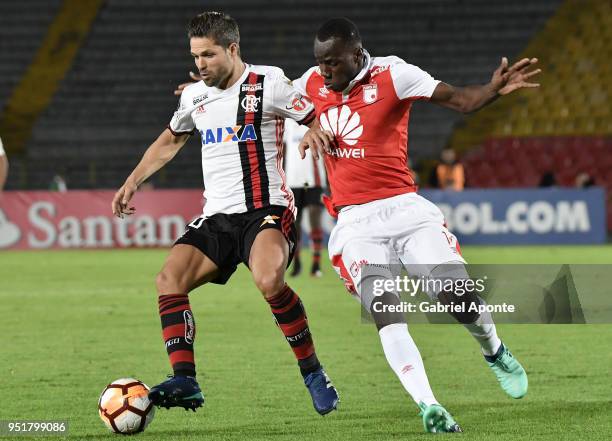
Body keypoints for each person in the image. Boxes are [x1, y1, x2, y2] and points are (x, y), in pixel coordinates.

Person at [294, 18, 539, 433]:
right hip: (355, 223)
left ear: (356, 55)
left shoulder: (395, 74)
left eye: (333, 63)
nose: (324, 72)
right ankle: (429, 404)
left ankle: (495, 351)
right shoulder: (311, 82)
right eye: (320, 63)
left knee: (455, 296)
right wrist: (211, 89)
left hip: (406, 209)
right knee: (386, 309)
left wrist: (493, 90)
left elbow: (460, 100)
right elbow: (268, 94)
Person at [112, 12, 338, 416]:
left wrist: (315, 127)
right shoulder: (194, 97)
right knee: (168, 279)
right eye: (196, 56)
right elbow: (170, 139)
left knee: (269, 279)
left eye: (209, 55)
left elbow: (315, 111)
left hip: (265, 209)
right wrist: (133, 180)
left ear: (233, 49)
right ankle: (185, 379)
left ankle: (313, 371)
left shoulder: (269, 83)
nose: (200, 64)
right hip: (217, 216)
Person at [283, 118, 327, 277]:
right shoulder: (287, 122)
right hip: (293, 181)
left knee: (315, 220)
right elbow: (282, 149)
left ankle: (316, 264)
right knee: (295, 225)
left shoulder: (316, 119)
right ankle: (297, 263)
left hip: (314, 180)